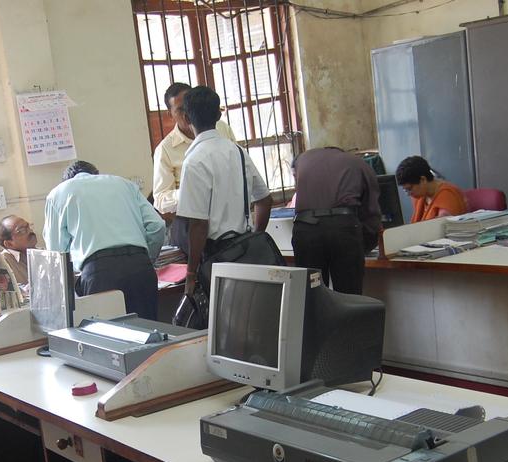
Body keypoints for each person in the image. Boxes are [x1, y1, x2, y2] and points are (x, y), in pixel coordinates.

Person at [175, 86, 272, 300]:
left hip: (216, 257)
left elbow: (198, 225)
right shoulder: (237, 151)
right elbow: (265, 200)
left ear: (186, 116)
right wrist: (256, 235)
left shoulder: (194, 161)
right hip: (245, 249)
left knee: (224, 319)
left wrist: (191, 273)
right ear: (219, 115)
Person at [43, 160, 166, 320]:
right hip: (140, 268)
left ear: (67, 180)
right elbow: (157, 226)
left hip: (100, 273)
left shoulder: (58, 193)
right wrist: (147, 258)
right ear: (97, 174)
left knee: (108, 338)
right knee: (149, 334)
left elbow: (56, 252)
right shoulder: (124, 184)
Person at [152, 82, 238, 252]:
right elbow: (160, 199)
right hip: (191, 228)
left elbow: (238, 166)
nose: (187, 113)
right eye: (180, 109)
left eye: (190, 105)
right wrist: (191, 191)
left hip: (230, 222)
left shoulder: (221, 128)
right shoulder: (165, 149)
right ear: (170, 114)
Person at [291, 147, 380, 294]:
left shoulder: (301, 161)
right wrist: (366, 245)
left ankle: (316, 316)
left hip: (306, 232)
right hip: (343, 230)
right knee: (349, 296)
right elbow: (371, 211)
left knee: (313, 295)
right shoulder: (358, 163)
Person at [396, 155, 467, 223]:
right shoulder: (420, 196)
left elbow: (441, 227)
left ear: (423, 180)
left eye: (409, 189)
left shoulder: (447, 196)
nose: (408, 194)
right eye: (405, 190)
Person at [0, 214, 37, 293]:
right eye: (22, 231)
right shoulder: (3, 262)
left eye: (29, 227)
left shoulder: (42, 254)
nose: (30, 231)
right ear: (9, 244)